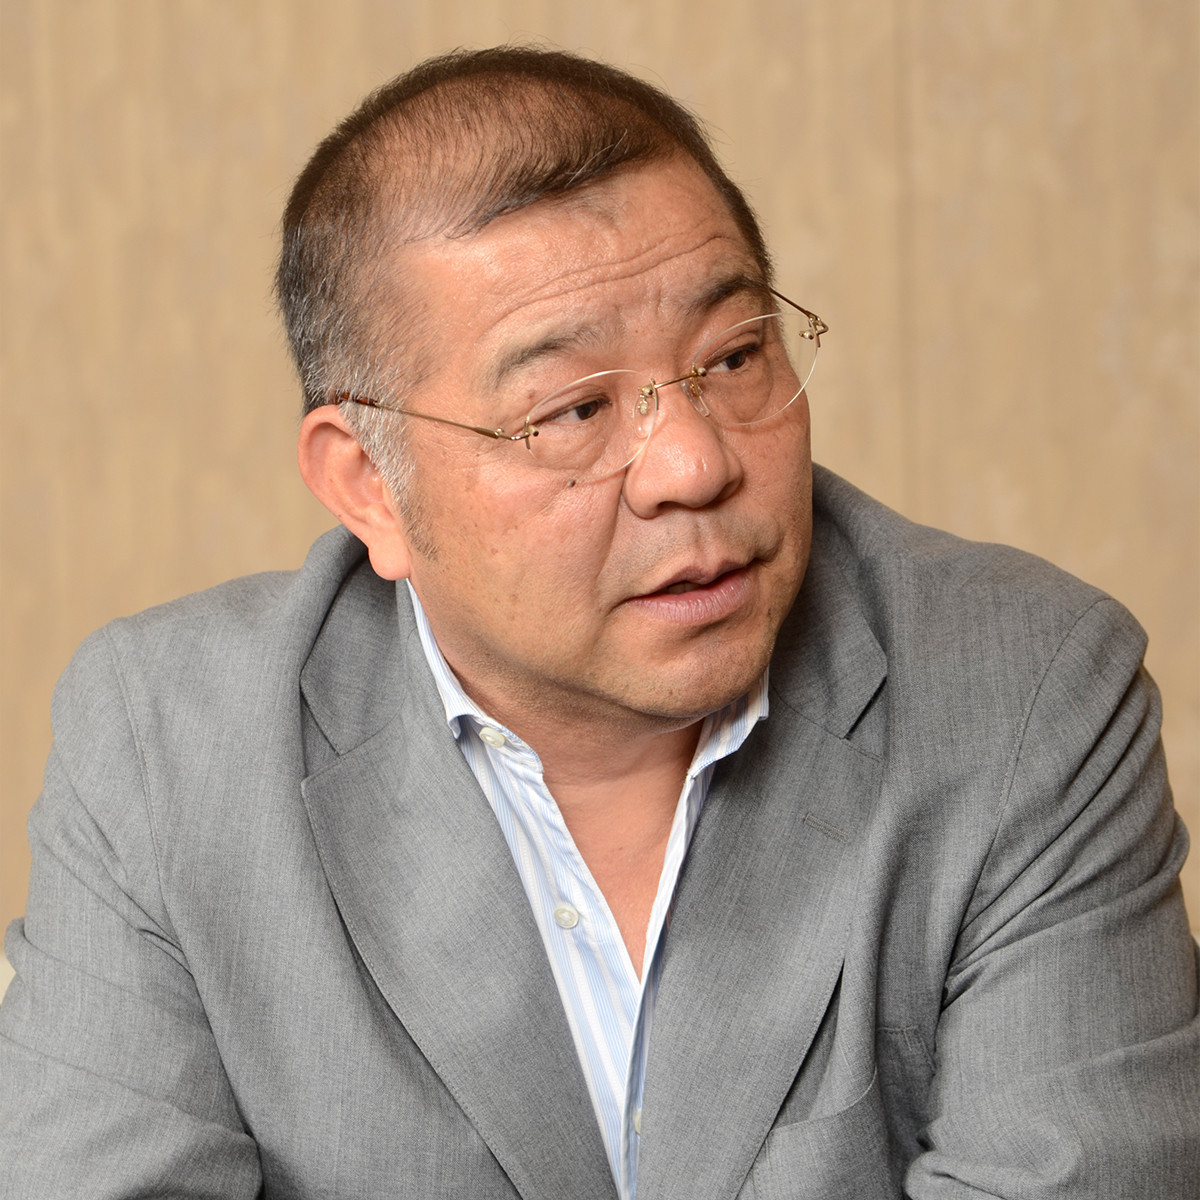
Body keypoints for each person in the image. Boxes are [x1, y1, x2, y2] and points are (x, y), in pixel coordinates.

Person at [1, 45, 1196, 1200]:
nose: (693, 464)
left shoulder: (1028, 690)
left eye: (734, 356)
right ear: (370, 487)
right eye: (573, 410)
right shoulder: (170, 750)